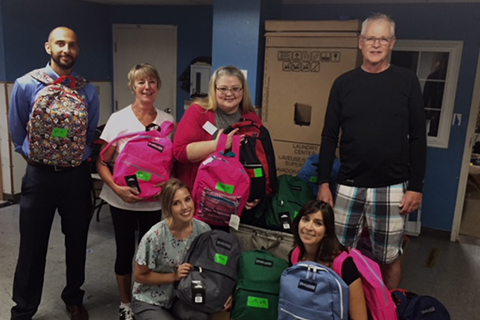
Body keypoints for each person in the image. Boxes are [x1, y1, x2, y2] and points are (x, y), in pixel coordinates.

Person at [317, 13, 427, 290]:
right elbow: (329, 136)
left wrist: (416, 186)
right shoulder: (343, 84)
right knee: (338, 253)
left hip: (392, 187)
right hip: (348, 186)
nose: (375, 44)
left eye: (382, 38)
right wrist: (323, 182)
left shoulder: (407, 81)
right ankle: (339, 305)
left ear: (392, 43)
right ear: (360, 42)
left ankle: (386, 308)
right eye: (370, 38)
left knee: (389, 257)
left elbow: (417, 137)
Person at [8, 27, 100, 320]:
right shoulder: (26, 84)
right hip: (39, 177)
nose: (66, 49)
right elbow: (16, 130)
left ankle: (73, 297)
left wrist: (74, 157)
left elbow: (90, 134)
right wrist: (43, 158)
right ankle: (24, 309)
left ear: (78, 50)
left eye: (72, 45)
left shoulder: (87, 90)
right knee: (32, 245)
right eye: (60, 43)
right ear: (48, 47)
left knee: (77, 241)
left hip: (75, 176)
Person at [96, 63, 174, 320]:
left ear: (158, 86)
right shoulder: (119, 119)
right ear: (133, 87)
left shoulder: (168, 121)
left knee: (152, 252)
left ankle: (148, 299)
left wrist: (167, 183)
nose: (147, 87)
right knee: (124, 251)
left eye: (152, 81)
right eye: (141, 82)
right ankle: (126, 303)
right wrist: (116, 188)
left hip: (154, 203)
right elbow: (101, 161)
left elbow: (171, 162)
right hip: (122, 201)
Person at [173, 65, 262, 212]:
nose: (229, 93)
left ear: (242, 90)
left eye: (235, 88)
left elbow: (259, 160)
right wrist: (218, 145)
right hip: (198, 200)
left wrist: (256, 193)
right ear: (214, 89)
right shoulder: (198, 112)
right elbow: (181, 152)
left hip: (235, 200)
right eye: (223, 89)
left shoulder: (252, 118)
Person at [131, 178, 213, 319]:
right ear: (168, 207)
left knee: (200, 317)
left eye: (187, 199)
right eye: (176, 203)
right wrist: (174, 276)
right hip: (150, 299)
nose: (185, 207)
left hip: (181, 296)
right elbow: (139, 276)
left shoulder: (203, 230)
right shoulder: (155, 236)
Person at [290, 200, 368, 320]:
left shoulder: (344, 264)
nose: (309, 227)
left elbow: (360, 317)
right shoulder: (295, 254)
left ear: (327, 231)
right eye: (306, 219)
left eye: (318, 223)